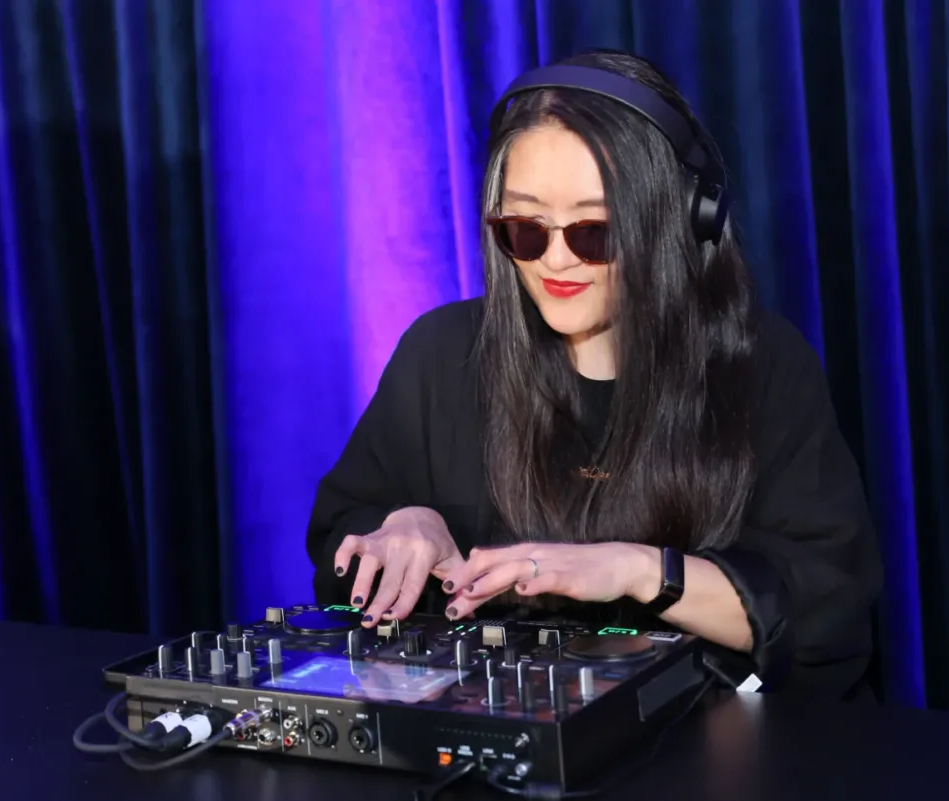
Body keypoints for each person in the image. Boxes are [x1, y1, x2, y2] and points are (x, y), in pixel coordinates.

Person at [305, 49, 883, 699]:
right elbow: (344, 532)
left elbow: (825, 603)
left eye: (593, 232)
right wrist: (405, 524)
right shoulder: (440, 354)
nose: (557, 259)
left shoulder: (762, 366)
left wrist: (642, 571)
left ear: (679, 221)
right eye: (525, 228)